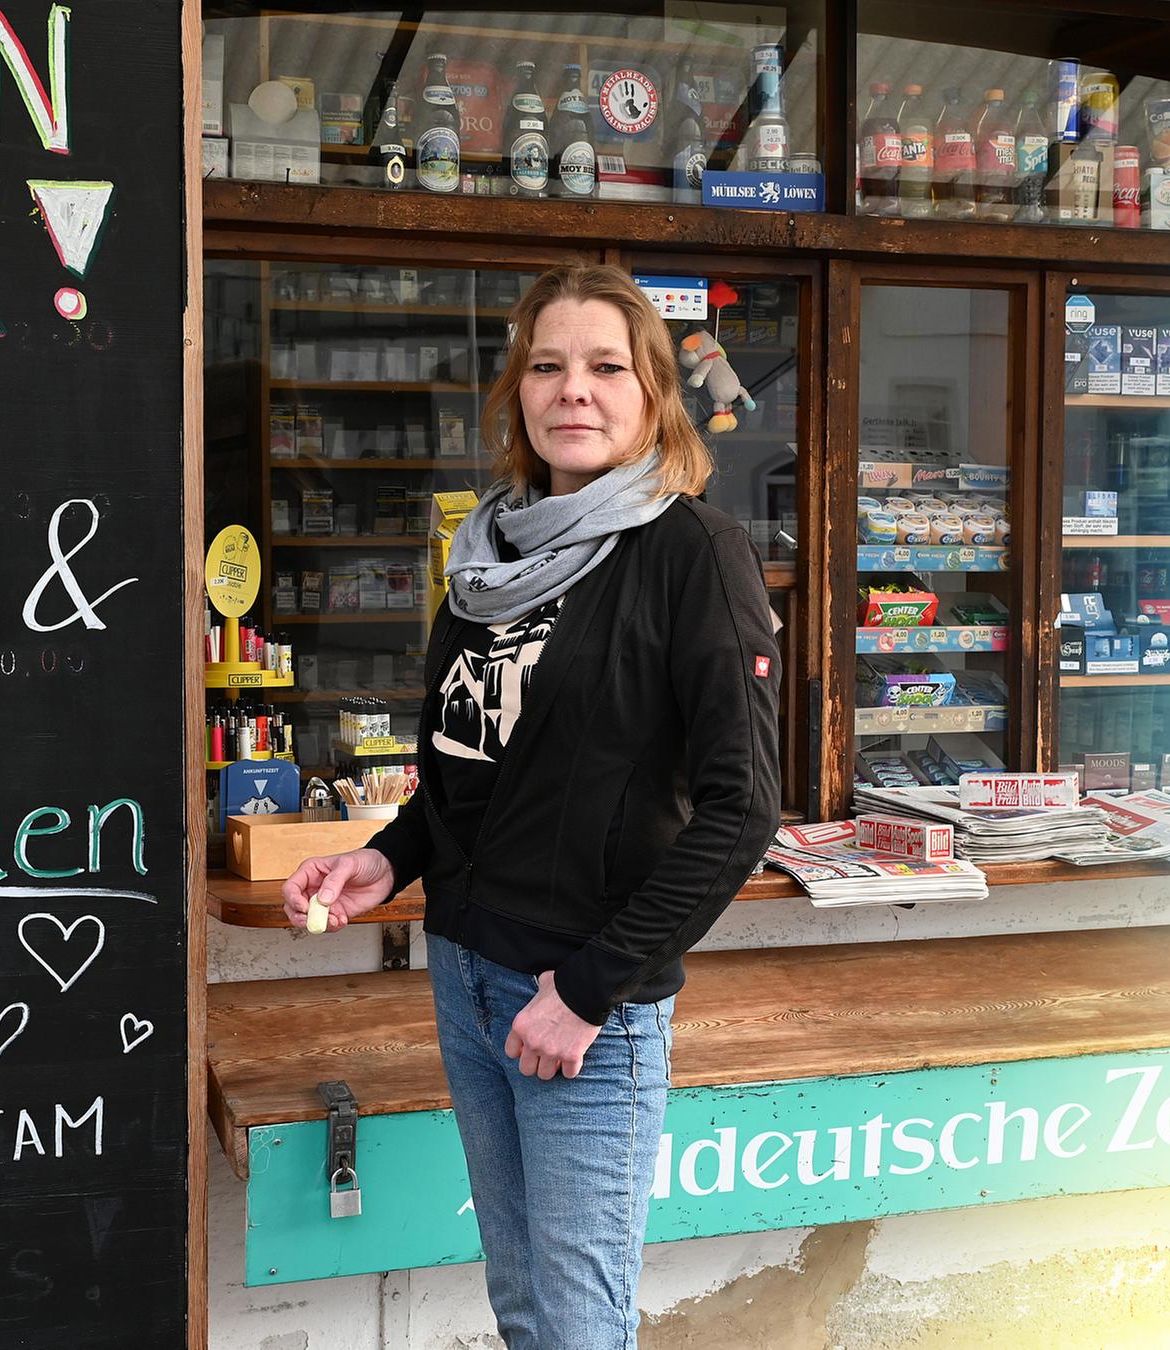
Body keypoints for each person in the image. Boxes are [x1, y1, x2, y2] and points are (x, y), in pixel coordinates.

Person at [282, 264, 783, 1349]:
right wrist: (389, 859)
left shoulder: (694, 555)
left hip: (579, 1002)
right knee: (525, 1310)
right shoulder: (489, 556)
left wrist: (593, 991)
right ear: (517, 393)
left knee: (576, 1327)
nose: (575, 391)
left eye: (608, 367)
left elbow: (744, 810)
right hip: (465, 969)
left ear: (654, 393)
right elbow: (478, 764)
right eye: (548, 366)